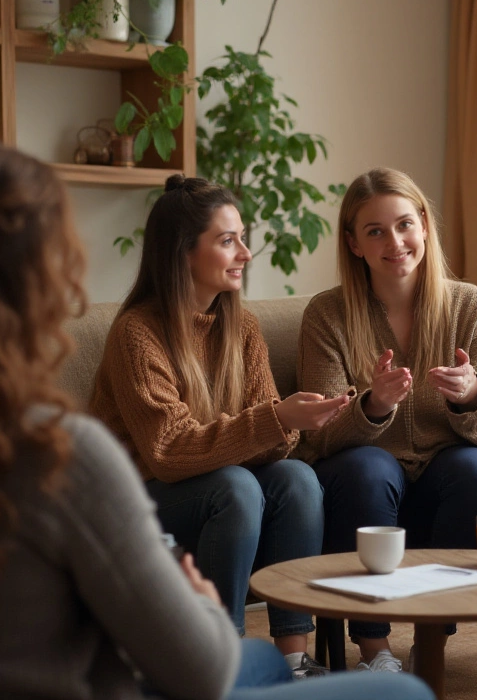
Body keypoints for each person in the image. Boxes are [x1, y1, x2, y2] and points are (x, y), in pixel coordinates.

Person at [0, 143, 433, 700]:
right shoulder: (56, 449)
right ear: (39, 281)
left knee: (265, 640)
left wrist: (280, 424)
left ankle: (288, 652)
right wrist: (203, 607)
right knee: (401, 690)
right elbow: (196, 665)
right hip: (136, 658)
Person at [91, 175, 351, 678]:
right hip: (141, 500)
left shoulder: (242, 327)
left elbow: (275, 445)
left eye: (242, 238)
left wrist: (287, 423)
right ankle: (221, 660)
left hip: (213, 486)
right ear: (183, 253)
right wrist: (275, 419)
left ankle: (293, 659)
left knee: (298, 480)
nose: (246, 254)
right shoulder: (136, 334)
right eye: (227, 240)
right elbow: (168, 451)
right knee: (234, 488)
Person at [297, 167, 477, 671]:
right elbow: (316, 437)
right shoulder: (327, 315)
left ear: (425, 225)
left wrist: (472, 395)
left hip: (447, 487)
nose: (395, 242)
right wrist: (372, 407)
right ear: (354, 243)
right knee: (370, 468)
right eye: (375, 231)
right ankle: (374, 649)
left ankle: (431, 639)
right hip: (364, 489)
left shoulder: (473, 307)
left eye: (405, 224)